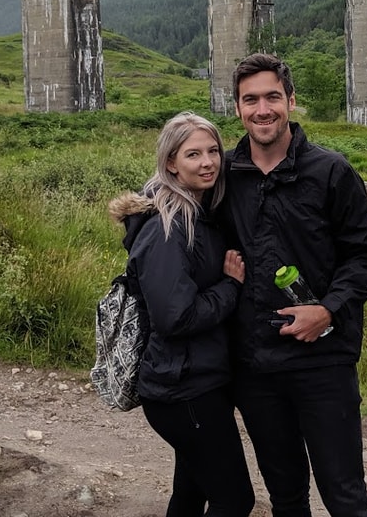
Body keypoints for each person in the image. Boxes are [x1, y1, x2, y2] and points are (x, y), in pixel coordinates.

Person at [224, 53, 367, 517]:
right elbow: (176, 203)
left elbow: (366, 254)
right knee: (286, 496)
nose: (262, 109)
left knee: (345, 495)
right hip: (255, 365)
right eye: (250, 100)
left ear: (290, 101)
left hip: (323, 362)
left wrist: (329, 309)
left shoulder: (331, 172)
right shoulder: (226, 177)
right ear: (237, 108)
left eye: (272, 97)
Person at [108, 111, 255, 517]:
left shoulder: (201, 214)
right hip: (183, 390)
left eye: (213, 151)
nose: (208, 162)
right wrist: (230, 287)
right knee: (235, 499)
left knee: (190, 493)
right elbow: (176, 318)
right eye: (193, 154)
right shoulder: (168, 228)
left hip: (198, 382)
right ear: (171, 162)